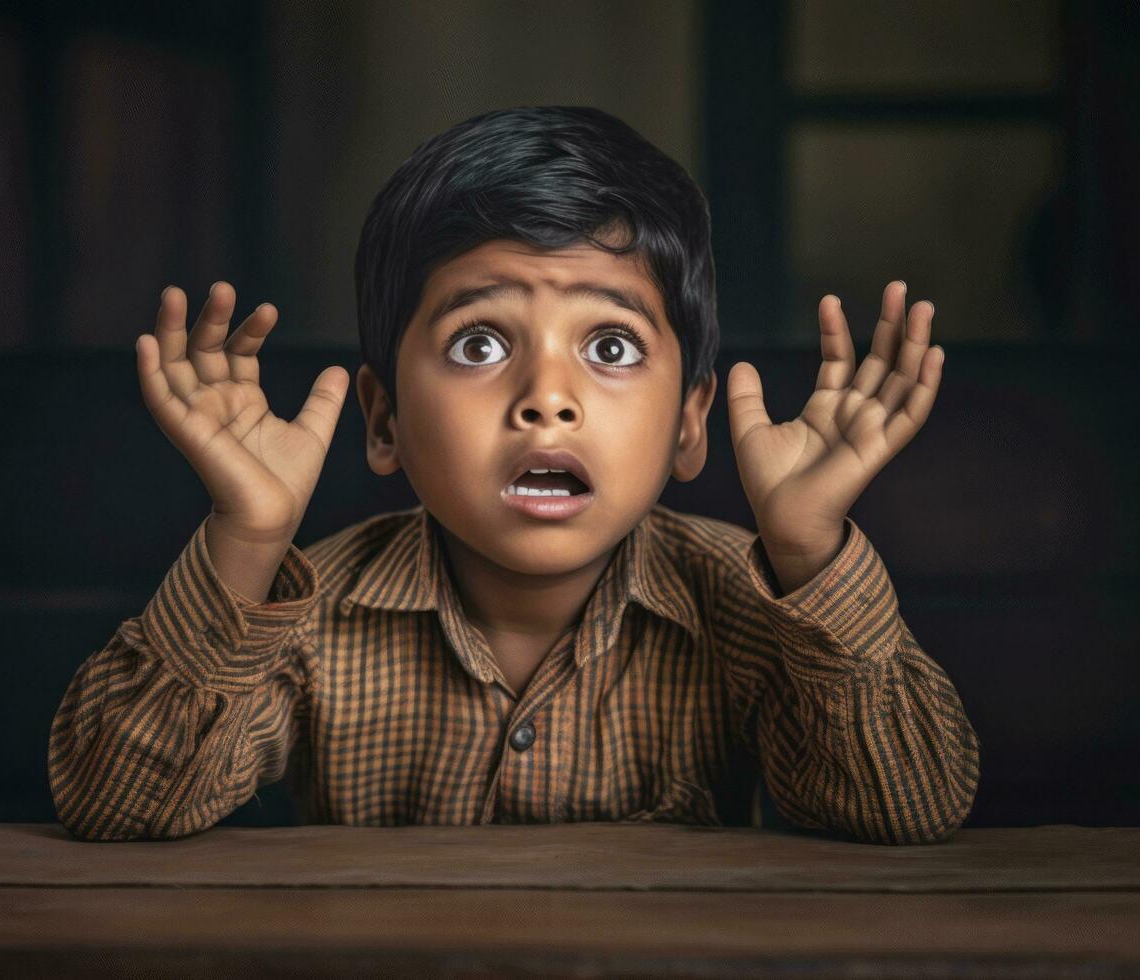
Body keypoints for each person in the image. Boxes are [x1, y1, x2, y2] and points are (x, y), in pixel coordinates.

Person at [47, 106, 978, 844]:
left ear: (689, 424)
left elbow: (910, 807)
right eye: (480, 342)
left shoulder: (743, 603)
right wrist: (244, 539)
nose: (546, 398)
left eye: (609, 345)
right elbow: (114, 804)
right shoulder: (309, 615)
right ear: (385, 421)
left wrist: (811, 550)